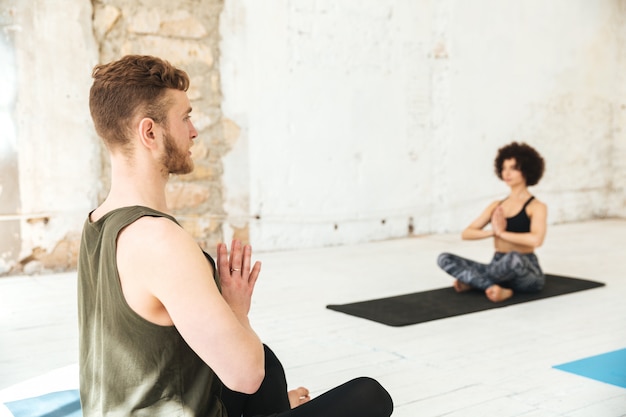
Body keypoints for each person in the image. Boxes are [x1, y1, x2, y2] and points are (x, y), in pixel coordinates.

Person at [78, 54, 393, 417]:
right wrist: (237, 310)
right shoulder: (159, 240)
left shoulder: (98, 223)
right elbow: (244, 376)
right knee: (370, 396)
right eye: (185, 118)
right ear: (149, 132)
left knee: (267, 361)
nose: (194, 131)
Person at [437, 142, 547, 303]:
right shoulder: (497, 205)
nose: (506, 173)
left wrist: (503, 233)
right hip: (497, 266)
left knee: (513, 258)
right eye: (504, 168)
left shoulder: (537, 206)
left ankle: (475, 283)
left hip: (525, 270)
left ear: (526, 171)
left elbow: (536, 240)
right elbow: (467, 233)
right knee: (444, 258)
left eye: (513, 168)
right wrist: (493, 232)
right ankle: (492, 287)